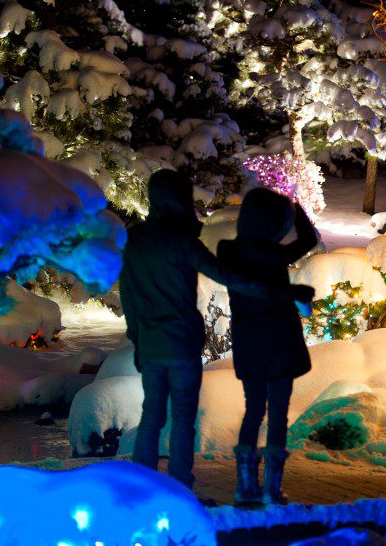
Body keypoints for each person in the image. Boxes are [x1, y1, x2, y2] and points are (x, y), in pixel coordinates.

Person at [119, 170, 300, 489]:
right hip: (182, 344)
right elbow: (221, 272)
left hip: (150, 345)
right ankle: (180, 489)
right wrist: (268, 290)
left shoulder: (134, 240)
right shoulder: (180, 239)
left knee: (151, 417)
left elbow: (129, 298)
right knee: (183, 419)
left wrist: (137, 340)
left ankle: (142, 489)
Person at [218, 188, 318, 506]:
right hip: (280, 344)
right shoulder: (275, 254)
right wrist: (296, 202)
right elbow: (308, 239)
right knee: (277, 415)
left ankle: (244, 486)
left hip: (249, 344)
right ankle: (272, 489)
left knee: (253, 411)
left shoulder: (228, 252)